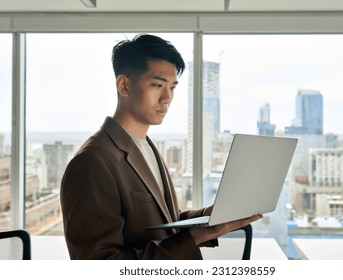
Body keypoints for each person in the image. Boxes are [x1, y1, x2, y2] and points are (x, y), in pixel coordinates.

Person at [60, 34, 262, 260]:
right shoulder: (92, 162)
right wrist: (191, 240)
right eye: (157, 85)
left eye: (172, 87)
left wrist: (208, 217)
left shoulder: (146, 146)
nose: (167, 98)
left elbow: (160, 222)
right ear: (124, 85)